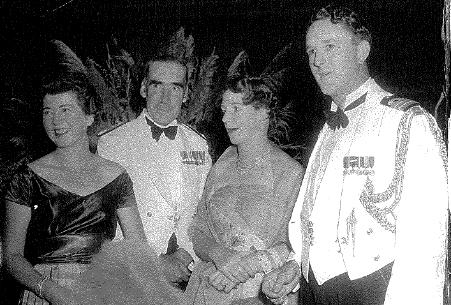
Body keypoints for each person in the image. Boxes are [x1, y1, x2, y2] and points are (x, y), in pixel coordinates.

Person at [262, 4, 448, 305]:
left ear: (362, 50)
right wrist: (295, 266)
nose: (318, 61)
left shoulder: (406, 121)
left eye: (330, 47)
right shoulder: (327, 127)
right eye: (311, 52)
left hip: (373, 290)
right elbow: (318, 217)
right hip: (313, 291)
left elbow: (426, 241)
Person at [2, 73, 148, 305]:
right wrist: (49, 290)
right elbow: (11, 257)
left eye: (65, 110)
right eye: (47, 111)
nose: (55, 121)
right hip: (44, 291)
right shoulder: (25, 178)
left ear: (89, 116)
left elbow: (138, 247)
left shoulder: (117, 176)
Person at [184, 76, 305, 305]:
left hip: (261, 293)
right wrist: (219, 255)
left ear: (264, 113)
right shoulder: (221, 163)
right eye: (224, 110)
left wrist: (245, 267)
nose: (226, 119)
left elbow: (295, 246)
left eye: (236, 109)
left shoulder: (290, 173)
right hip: (209, 287)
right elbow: (198, 230)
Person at [97, 55, 212, 289]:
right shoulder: (112, 144)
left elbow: (204, 212)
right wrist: (153, 265)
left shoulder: (198, 146)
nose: (165, 98)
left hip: (184, 273)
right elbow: (100, 223)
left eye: (175, 88)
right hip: (130, 274)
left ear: (186, 93)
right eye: (157, 85)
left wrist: (185, 256)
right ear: (143, 88)